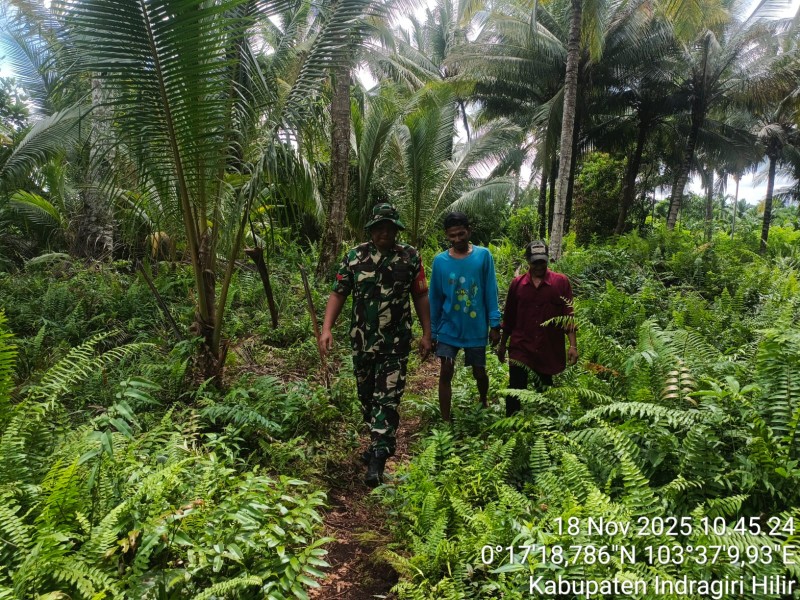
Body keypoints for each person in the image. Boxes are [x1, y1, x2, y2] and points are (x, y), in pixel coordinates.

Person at [319, 203, 432, 487]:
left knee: (388, 398)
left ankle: (378, 459)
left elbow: (420, 296)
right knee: (367, 397)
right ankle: (376, 441)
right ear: (372, 230)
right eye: (379, 227)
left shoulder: (410, 257)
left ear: (396, 230)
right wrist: (326, 328)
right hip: (362, 341)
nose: (385, 232)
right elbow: (338, 293)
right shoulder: (355, 257)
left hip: (396, 343)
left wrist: (427, 333)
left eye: (389, 228)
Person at [428, 212, 502, 422]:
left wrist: (494, 324)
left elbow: (490, 291)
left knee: (479, 371)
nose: (457, 239)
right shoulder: (440, 261)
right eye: (452, 236)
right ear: (447, 235)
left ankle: (483, 400)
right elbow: (434, 298)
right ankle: (445, 419)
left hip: (475, 327)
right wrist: (432, 332)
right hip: (448, 327)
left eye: (461, 234)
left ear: (469, 231)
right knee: (446, 370)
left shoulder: (483, 256)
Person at [497, 240, 578, 416]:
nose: (539, 265)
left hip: (547, 348)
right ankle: (511, 425)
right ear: (528, 260)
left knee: (545, 393)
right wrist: (502, 345)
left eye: (542, 261)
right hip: (521, 346)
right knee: (515, 389)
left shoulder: (560, 283)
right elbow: (509, 317)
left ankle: (544, 431)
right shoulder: (517, 285)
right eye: (535, 262)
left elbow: (568, 317)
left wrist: (572, 346)